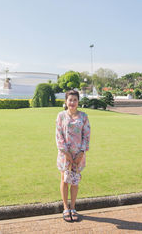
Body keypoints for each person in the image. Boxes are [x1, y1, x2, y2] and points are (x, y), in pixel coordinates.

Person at [56, 90, 90, 222]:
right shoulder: (61, 116)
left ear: (78, 102)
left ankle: (73, 207)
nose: (72, 102)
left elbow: (86, 136)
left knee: (75, 181)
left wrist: (81, 152)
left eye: (75, 100)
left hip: (79, 156)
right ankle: (65, 207)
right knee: (64, 180)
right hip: (65, 155)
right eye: (70, 100)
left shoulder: (84, 116)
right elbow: (59, 136)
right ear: (66, 101)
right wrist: (67, 154)